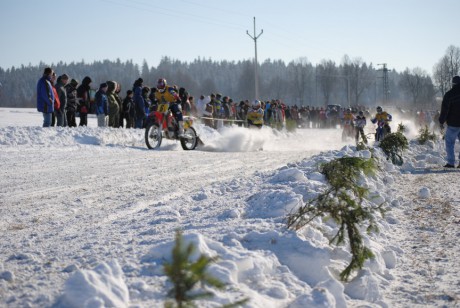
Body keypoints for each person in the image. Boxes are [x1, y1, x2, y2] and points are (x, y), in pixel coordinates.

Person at [439, 75, 460, 168]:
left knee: (450, 142)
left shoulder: (449, 95)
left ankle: (451, 162)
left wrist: (441, 121)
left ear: (453, 83)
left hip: (453, 123)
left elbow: (445, 109)